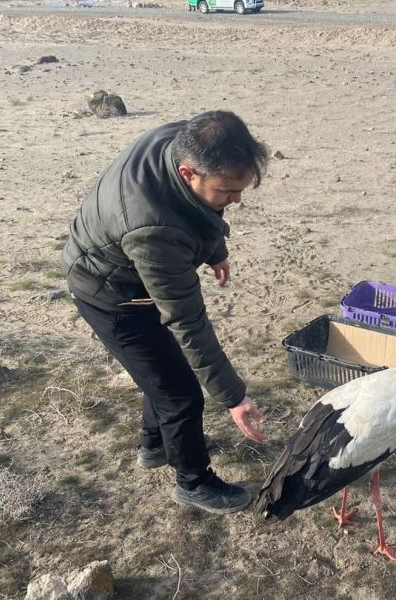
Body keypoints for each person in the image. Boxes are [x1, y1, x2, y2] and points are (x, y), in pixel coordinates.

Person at [62, 110, 268, 514]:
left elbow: (199, 212)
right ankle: (193, 482)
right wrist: (234, 397)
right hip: (110, 294)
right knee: (180, 393)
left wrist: (215, 250)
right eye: (228, 190)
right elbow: (187, 321)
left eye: (241, 189)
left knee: (162, 373)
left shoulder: (181, 140)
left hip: (126, 271)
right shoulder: (154, 230)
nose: (236, 199)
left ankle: (156, 446)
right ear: (189, 172)